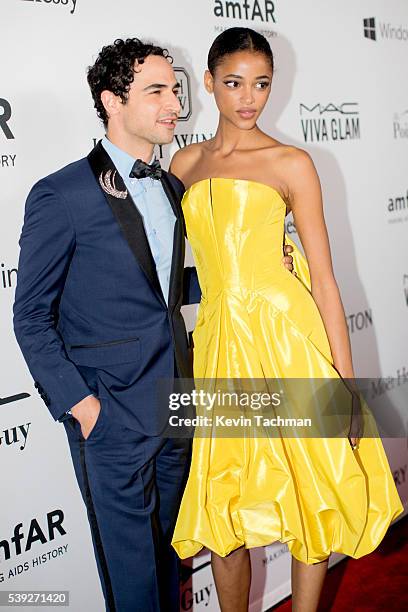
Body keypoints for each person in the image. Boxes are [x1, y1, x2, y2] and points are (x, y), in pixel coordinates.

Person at [13, 37, 295, 611]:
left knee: (171, 572)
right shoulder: (60, 194)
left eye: (177, 90)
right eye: (157, 91)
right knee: (135, 588)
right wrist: (86, 410)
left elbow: (165, 291)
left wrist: (259, 269)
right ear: (112, 101)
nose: (176, 105)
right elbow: (31, 318)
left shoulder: (172, 186)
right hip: (112, 418)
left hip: (179, 406)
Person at [170, 27, 404, 612]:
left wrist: (347, 387)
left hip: (287, 335)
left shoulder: (290, 161)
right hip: (222, 342)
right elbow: (188, 264)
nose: (249, 97)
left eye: (261, 84)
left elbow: (325, 278)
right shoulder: (184, 164)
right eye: (233, 83)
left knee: (311, 489)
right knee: (224, 500)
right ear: (208, 83)